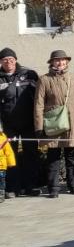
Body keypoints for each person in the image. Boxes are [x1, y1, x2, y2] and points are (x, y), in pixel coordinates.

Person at [34, 50, 74, 198]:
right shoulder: (44, 80)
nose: (60, 63)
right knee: (53, 157)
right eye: (57, 60)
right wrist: (39, 127)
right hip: (53, 124)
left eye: (63, 60)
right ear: (51, 62)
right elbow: (38, 104)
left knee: (72, 156)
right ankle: (53, 187)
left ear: (67, 62)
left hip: (72, 122)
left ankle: (73, 184)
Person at [0, 47, 41, 198]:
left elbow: (39, 97)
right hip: (8, 124)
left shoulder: (29, 74)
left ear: (16, 60)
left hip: (28, 122)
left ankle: (30, 187)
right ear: (1, 62)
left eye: (11, 59)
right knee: (11, 156)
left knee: (31, 154)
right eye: (5, 60)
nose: (8, 62)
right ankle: (12, 188)